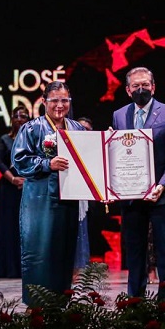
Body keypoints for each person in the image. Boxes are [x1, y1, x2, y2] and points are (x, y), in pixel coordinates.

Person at [111, 66, 165, 302]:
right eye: (135, 86)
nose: (140, 89)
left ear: (153, 87)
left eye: (145, 85)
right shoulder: (119, 115)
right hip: (131, 196)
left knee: (164, 253)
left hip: (163, 195)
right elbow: (116, 153)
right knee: (135, 253)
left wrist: (161, 186)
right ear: (127, 89)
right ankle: (135, 302)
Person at [12, 81, 86, 307]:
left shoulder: (77, 129)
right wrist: (47, 164)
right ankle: (36, 304)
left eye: (65, 100)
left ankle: (61, 303)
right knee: (39, 251)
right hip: (39, 200)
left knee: (64, 252)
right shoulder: (32, 128)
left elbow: (88, 162)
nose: (60, 105)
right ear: (44, 102)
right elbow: (19, 161)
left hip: (69, 200)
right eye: (54, 100)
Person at [0, 104, 29, 279]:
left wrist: (27, 180)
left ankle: (27, 268)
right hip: (9, 188)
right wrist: (13, 179)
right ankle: (9, 268)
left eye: (24, 116)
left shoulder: (32, 138)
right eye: (17, 116)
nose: (20, 119)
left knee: (26, 227)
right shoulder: (5, 139)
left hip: (28, 187)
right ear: (11, 119)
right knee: (9, 227)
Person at [73, 116, 93, 280]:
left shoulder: (94, 150)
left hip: (83, 194)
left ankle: (78, 269)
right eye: (80, 128)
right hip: (68, 192)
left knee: (81, 229)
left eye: (87, 129)